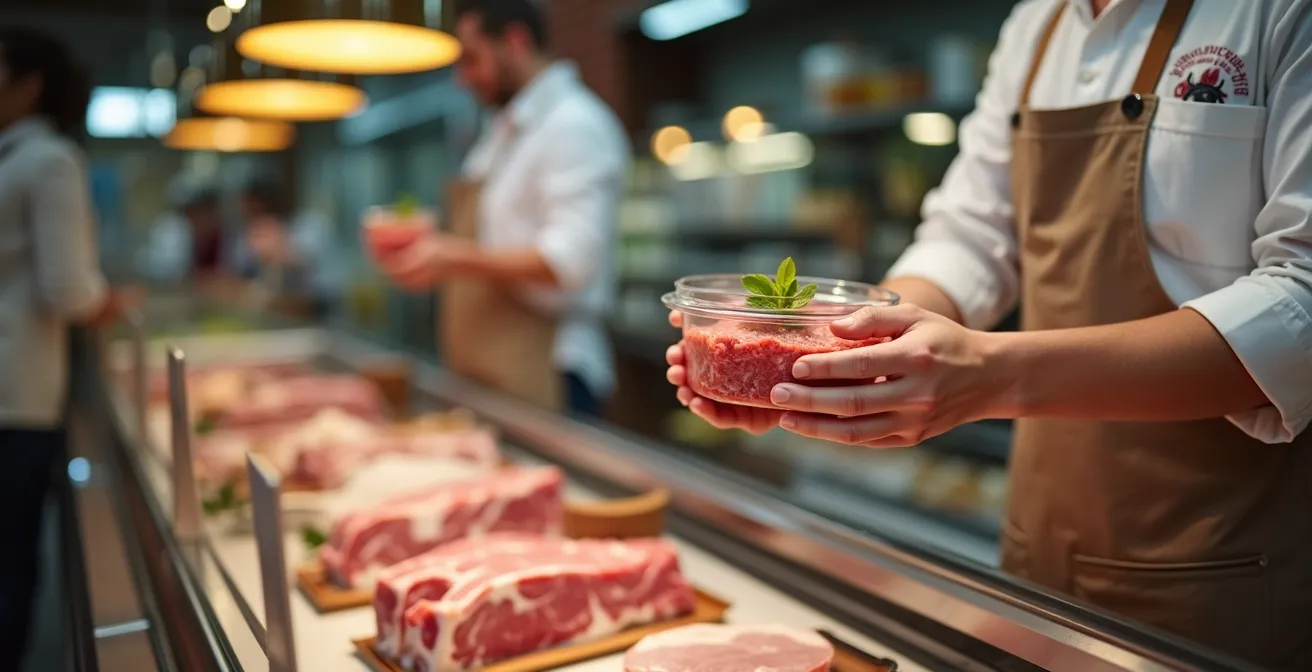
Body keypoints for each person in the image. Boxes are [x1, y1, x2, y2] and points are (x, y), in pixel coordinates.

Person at [667, 0, 1312, 668]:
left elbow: (1302, 301)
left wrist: (993, 375)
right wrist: (837, 353)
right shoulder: (1038, 25)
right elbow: (971, 236)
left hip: (1223, 557)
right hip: (1042, 540)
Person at [370, 0, 629, 417]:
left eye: (471, 59)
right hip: (488, 368)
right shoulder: (502, 132)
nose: (462, 79)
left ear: (515, 41)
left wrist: (454, 258)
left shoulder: (574, 124)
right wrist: (430, 259)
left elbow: (571, 262)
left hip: (550, 368)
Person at [0, 27, 133, 669]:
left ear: (29, 84)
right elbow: (71, 292)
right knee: (9, 561)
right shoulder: (48, 159)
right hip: (19, 393)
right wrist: (112, 301)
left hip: (16, 390)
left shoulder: (31, 158)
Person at [232, 174, 340, 315]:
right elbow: (241, 273)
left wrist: (278, 245)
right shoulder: (248, 232)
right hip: (276, 310)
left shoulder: (310, 225)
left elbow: (303, 262)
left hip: (320, 307)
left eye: (253, 205)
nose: (247, 211)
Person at [138, 177, 227, 281]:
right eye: (195, 212)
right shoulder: (174, 231)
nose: (205, 218)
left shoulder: (222, 235)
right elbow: (172, 275)